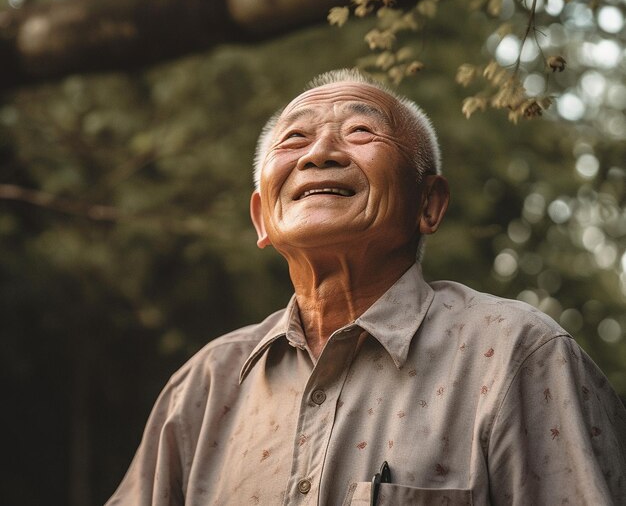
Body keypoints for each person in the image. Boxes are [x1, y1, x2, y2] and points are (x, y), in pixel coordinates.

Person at [107, 69, 626, 505]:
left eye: (360, 132)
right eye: (295, 139)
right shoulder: (203, 387)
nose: (321, 153)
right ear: (262, 217)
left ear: (429, 204)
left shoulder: (517, 354)